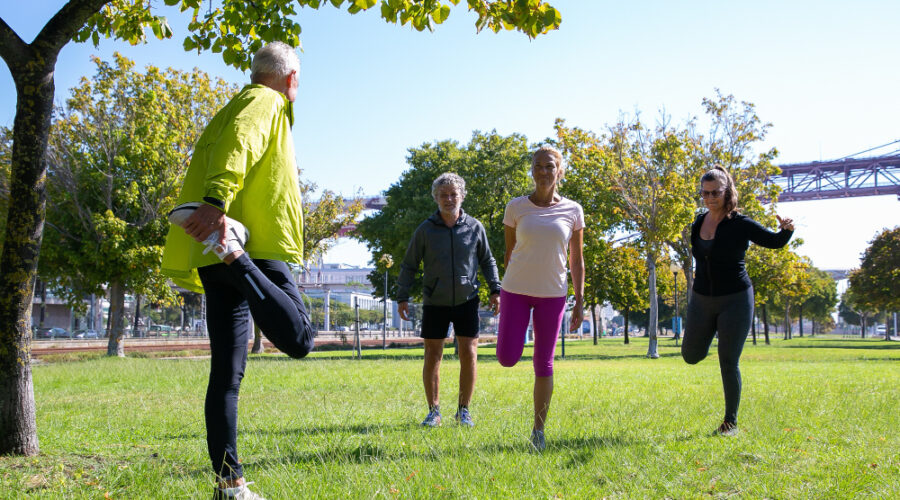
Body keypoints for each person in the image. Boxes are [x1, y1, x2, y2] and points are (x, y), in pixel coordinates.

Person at [161, 42, 315, 500]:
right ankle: (236, 254)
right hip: (252, 246)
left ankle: (230, 486)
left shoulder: (229, 108)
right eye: (299, 83)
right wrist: (216, 204)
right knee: (300, 338)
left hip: (214, 253)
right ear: (290, 80)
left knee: (226, 376)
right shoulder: (264, 100)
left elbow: (228, 145)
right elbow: (240, 145)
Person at [681, 165, 794, 437]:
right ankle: (711, 335)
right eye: (704, 193)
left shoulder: (740, 224)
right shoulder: (699, 221)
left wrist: (787, 230)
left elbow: (774, 241)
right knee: (691, 355)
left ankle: (729, 423)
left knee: (728, 361)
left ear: (727, 191)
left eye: (715, 193)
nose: (709, 198)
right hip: (701, 298)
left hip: (735, 299)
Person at [495, 145, 584, 451]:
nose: (544, 171)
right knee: (507, 358)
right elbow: (509, 253)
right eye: (538, 166)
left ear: (559, 171)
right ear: (531, 170)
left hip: (553, 294)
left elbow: (576, 260)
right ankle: (514, 338)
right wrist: (509, 287)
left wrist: (580, 299)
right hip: (516, 290)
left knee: (543, 363)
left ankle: (538, 431)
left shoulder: (573, 210)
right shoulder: (515, 207)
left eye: (550, 166)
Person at [396, 173, 501, 428]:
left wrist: (496, 289)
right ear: (436, 198)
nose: (449, 199)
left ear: (462, 196)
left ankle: (464, 411)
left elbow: (488, 260)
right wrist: (402, 296)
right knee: (432, 355)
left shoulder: (475, 227)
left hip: (467, 299)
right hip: (435, 301)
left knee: (469, 353)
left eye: (453, 194)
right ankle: (434, 411)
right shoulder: (425, 230)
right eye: (443, 195)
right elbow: (409, 265)